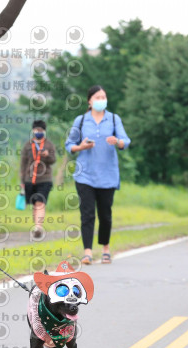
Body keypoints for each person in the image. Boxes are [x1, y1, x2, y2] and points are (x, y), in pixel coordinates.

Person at [64, 85, 131, 265]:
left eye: (104, 97)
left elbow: (126, 142)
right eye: (98, 97)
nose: (102, 100)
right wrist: (81, 147)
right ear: (90, 101)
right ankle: (87, 252)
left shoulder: (114, 119)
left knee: (105, 214)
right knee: (87, 214)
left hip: (108, 174)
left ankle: (106, 249)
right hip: (85, 174)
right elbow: (69, 144)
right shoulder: (81, 120)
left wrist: (118, 141)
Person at [20, 119, 56, 238]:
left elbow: (53, 160)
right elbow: (23, 163)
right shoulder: (27, 145)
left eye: (40, 130)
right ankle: (36, 226)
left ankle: (38, 227)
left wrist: (47, 155)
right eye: (36, 130)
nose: (38, 132)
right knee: (35, 204)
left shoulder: (49, 145)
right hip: (30, 179)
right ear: (33, 131)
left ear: (44, 131)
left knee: (40, 202)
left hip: (45, 179)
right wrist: (22, 181)